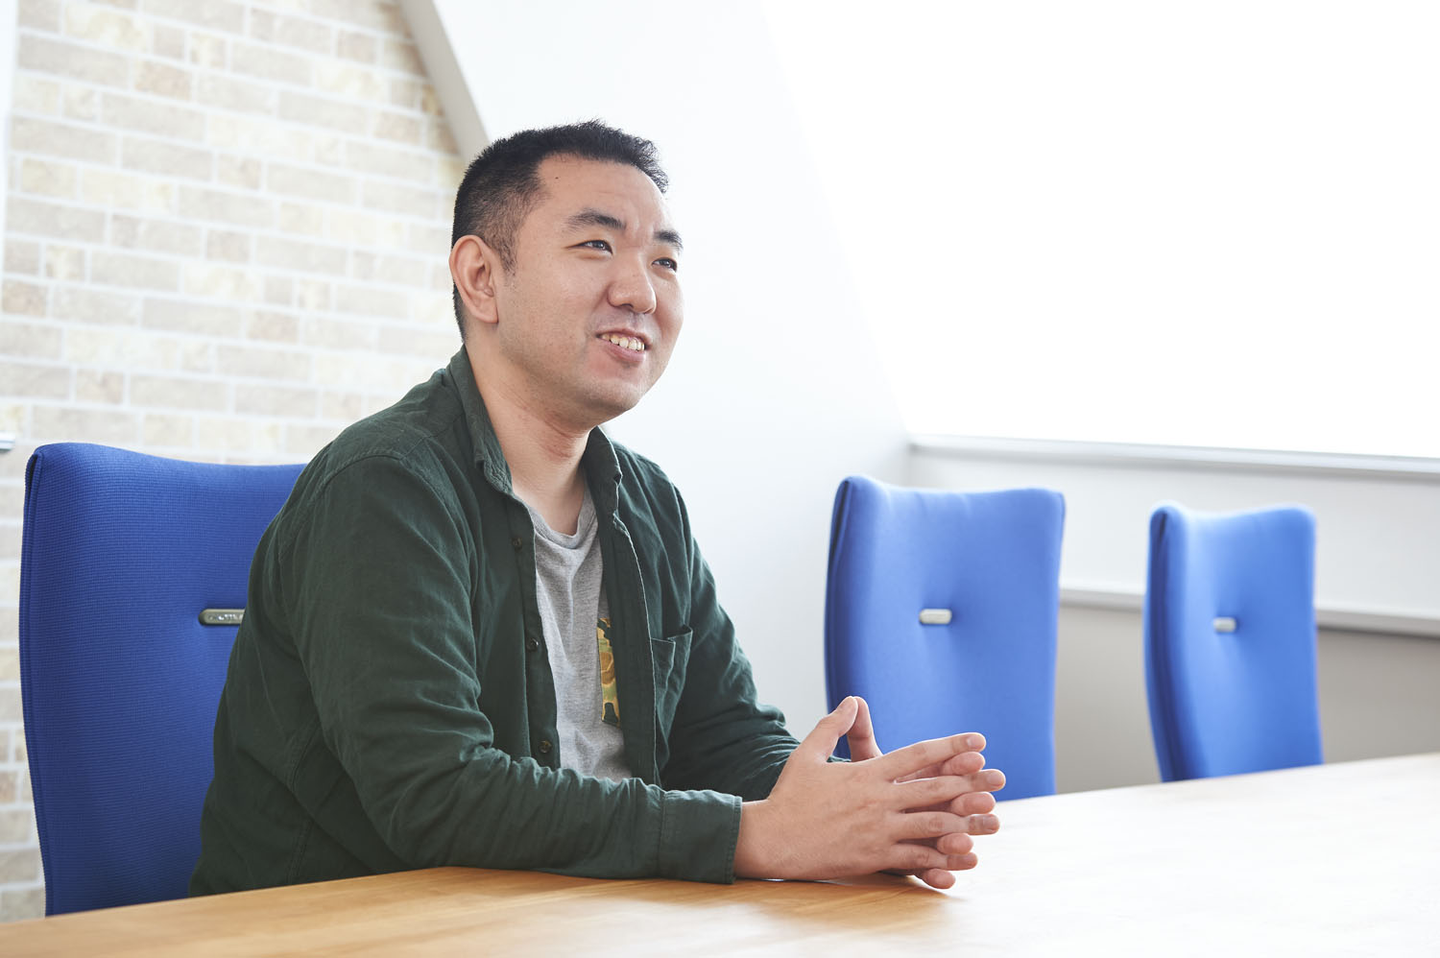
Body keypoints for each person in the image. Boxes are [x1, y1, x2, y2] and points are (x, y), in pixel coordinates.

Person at [191, 121, 1003, 896]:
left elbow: (720, 733)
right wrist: (753, 836)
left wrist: (848, 807)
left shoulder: (647, 502)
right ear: (481, 279)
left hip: (582, 917)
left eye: (665, 260)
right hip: (358, 928)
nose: (640, 291)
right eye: (595, 246)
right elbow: (435, 794)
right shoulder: (384, 488)